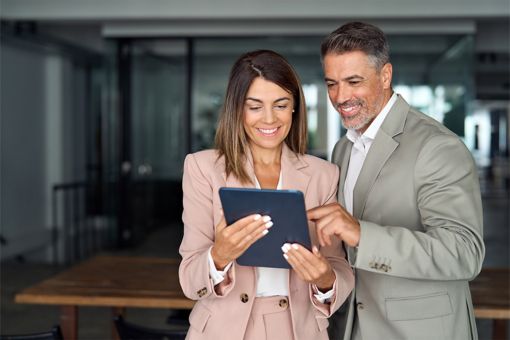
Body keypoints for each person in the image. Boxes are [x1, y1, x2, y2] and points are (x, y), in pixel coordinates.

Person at [307, 22, 485, 340]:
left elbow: (464, 253)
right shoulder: (343, 147)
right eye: (331, 83)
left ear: (385, 75)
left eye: (353, 81)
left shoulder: (436, 146)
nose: (340, 96)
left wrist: (362, 234)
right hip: (353, 328)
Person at [179, 50, 354, 340]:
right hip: (223, 330)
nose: (269, 118)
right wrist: (220, 255)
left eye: (281, 105)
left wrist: (324, 279)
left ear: (295, 107)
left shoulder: (323, 175)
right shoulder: (202, 168)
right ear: (237, 109)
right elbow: (189, 280)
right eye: (255, 106)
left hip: (299, 329)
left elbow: (339, 266)